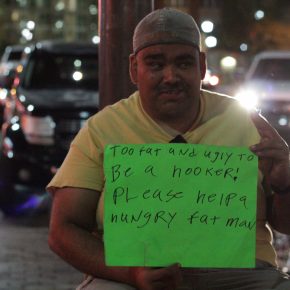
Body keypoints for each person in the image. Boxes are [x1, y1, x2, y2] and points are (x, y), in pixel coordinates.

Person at [47, 7, 290, 290]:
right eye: (155, 64)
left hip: (243, 274)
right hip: (134, 275)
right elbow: (62, 230)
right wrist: (131, 274)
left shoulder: (246, 123)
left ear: (202, 66)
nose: (171, 76)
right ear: (133, 68)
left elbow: (285, 224)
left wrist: (284, 183)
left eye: (184, 63)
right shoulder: (102, 130)